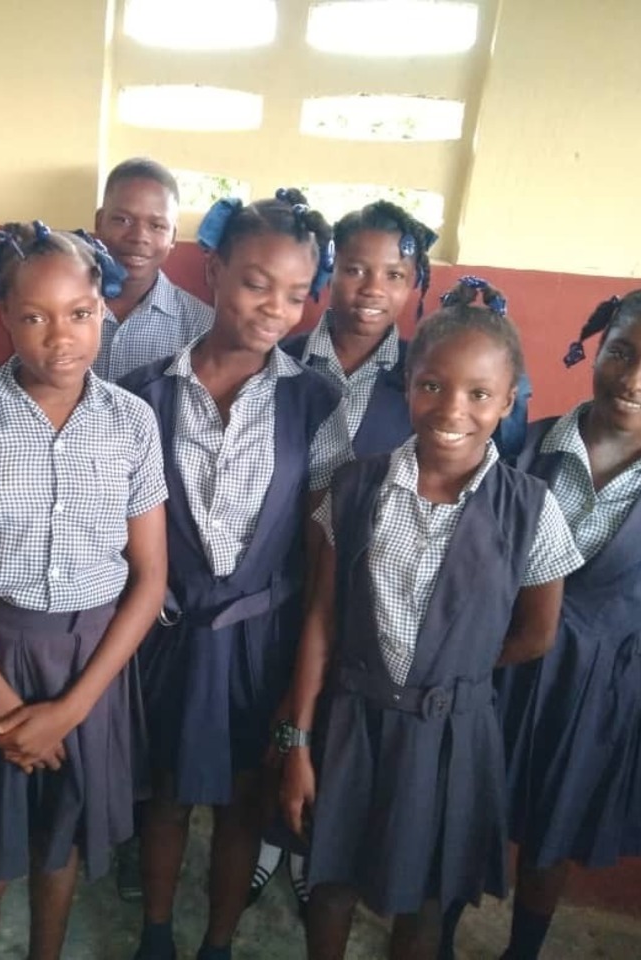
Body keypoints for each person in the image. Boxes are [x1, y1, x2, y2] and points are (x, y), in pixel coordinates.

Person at [280, 279, 583, 960]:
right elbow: (323, 618)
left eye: (479, 394)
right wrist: (295, 741)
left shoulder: (531, 509)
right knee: (330, 879)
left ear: (508, 402)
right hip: (351, 722)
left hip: (451, 733)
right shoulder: (355, 486)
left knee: (423, 900)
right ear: (408, 385)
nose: (452, 408)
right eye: (432, 386)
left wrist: (454, 665)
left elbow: (537, 633)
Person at [0, 222, 168, 960]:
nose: (61, 338)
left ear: (103, 309)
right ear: (4, 318)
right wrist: (8, 712)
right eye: (34, 317)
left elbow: (150, 580)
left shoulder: (131, 423)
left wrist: (71, 710)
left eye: (79, 314)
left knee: (59, 854)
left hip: (92, 664)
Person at [122, 189, 353, 960]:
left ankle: (217, 942)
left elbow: (321, 548)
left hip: (263, 639)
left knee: (243, 807)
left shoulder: (317, 402)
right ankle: (156, 934)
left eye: (296, 293)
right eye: (257, 283)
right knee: (164, 796)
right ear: (214, 271)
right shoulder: (144, 395)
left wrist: (302, 683)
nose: (275, 309)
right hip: (168, 636)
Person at [440, 292, 641, 960]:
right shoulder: (523, 447)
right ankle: (434, 935)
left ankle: (522, 950)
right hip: (499, 665)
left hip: (598, 689)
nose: (633, 379)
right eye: (622, 353)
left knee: (554, 830)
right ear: (598, 348)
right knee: (463, 811)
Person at [253, 201, 437, 910]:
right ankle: (267, 832)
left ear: (415, 284)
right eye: (356, 268)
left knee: (328, 717)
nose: (370, 289)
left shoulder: (424, 381)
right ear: (330, 274)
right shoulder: (284, 360)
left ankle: (308, 847)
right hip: (272, 575)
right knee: (272, 709)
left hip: (361, 592)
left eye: (393, 274)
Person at [93, 157, 213, 382]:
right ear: (99, 222)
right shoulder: (60, 307)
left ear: (173, 237)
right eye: (123, 220)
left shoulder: (203, 328)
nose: (139, 237)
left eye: (157, 226)